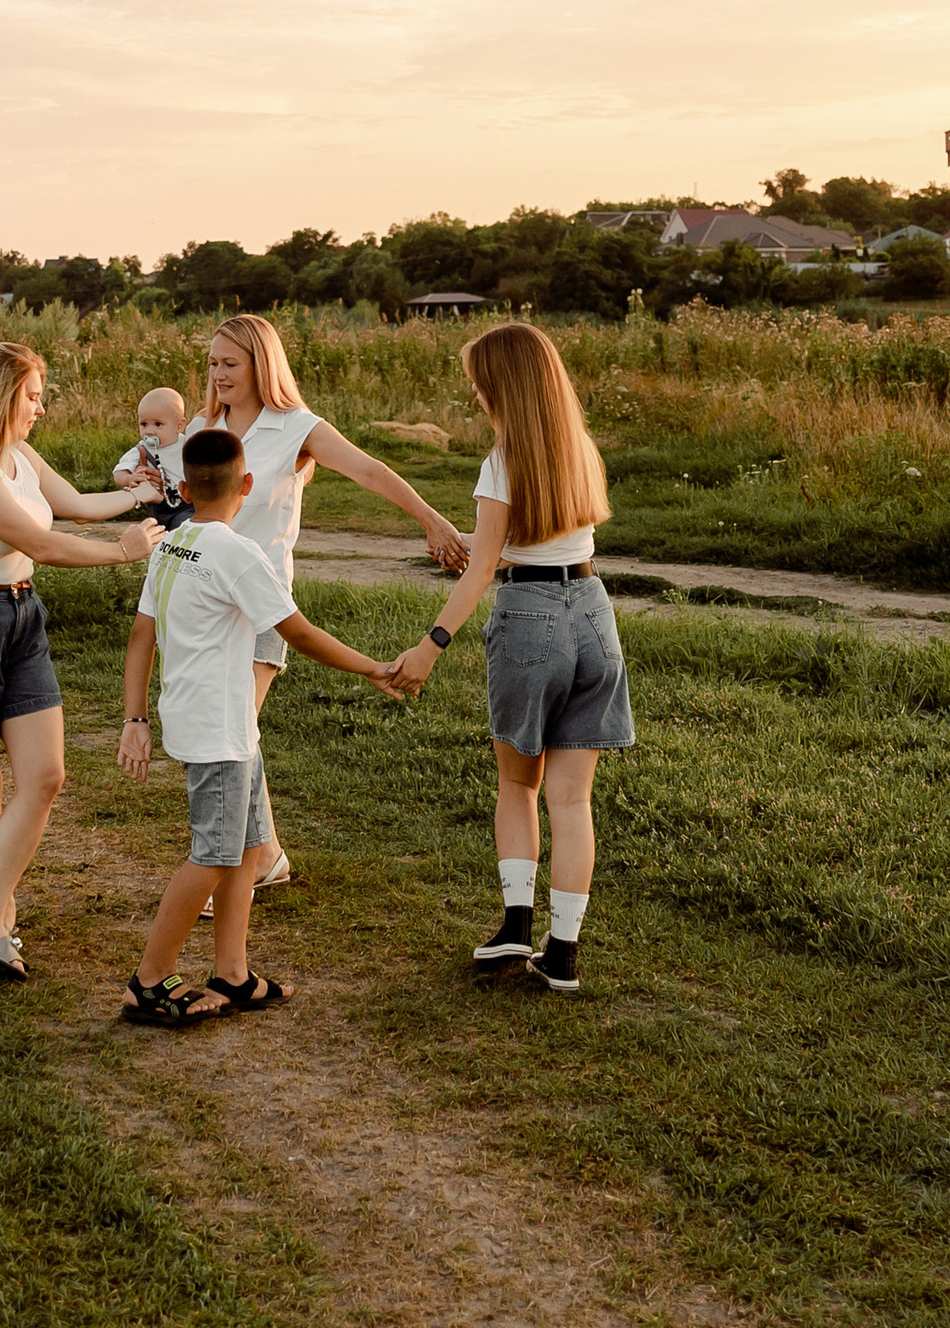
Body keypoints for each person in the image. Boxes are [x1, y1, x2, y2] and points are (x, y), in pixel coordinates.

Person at [115, 428, 404, 1026]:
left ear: (186, 489)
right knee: (213, 854)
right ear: (246, 485)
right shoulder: (236, 553)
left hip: (218, 719)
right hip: (220, 728)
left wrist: (134, 718)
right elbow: (297, 633)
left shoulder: (171, 543)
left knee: (245, 845)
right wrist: (373, 668)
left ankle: (233, 974)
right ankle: (146, 982)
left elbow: (141, 636)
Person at [0, 339, 164, 983]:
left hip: (20, 618)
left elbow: (74, 504)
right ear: (1, 398)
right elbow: (43, 543)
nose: (39, 410)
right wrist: (124, 553)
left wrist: (140, 495)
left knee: (46, 777)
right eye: (32, 397)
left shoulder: (18, 456)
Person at [189, 313, 470, 891]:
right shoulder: (202, 424)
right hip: (202, 603)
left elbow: (368, 470)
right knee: (230, 730)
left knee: (234, 729)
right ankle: (263, 854)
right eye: (213, 363)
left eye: (229, 364)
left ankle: (232, 866)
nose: (217, 374)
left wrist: (432, 520)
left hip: (262, 603)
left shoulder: (297, 427)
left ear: (261, 366)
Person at [392, 322, 628, 996]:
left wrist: (430, 644)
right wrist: (472, 541)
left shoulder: (501, 460)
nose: (474, 391)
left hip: (528, 617)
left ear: (505, 386)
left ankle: (517, 923)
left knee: (518, 785)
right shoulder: (578, 448)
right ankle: (563, 956)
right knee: (573, 798)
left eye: (480, 381)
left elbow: (484, 569)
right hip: (592, 611)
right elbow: (532, 537)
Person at [110, 384, 194, 530]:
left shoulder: (188, 444)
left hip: (188, 504)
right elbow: (119, 472)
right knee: (162, 531)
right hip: (160, 506)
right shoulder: (142, 449)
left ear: (179, 426)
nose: (150, 431)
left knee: (183, 525)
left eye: (158, 424)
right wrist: (129, 479)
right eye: (144, 424)